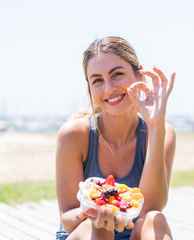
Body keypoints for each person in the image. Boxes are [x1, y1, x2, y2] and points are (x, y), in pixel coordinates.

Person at [55, 36, 176, 240]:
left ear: (138, 75)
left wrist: (156, 126)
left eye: (117, 74)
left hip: (134, 235)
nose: (109, 88)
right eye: (98, 80)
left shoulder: (162, 132)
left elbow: (149, 207)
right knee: (94, 228)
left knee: (155, 220)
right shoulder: (73, 135)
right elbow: (67, 217)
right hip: (85, 234)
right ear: (90, 88)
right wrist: (89, 214)